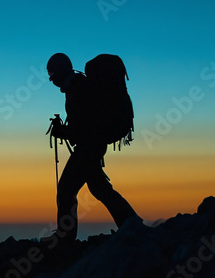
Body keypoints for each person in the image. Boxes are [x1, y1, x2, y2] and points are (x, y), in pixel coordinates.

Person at [46, 53, 143, 244]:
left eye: (52, 73)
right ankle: (132, 224)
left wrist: (62, 132)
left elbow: (82, 128)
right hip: (93, 146)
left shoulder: (78, 89)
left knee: (66, 190)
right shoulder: (78, 86)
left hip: (88, 148)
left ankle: (64, 238)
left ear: (61, 70)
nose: (51, 79)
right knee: (100, 188)